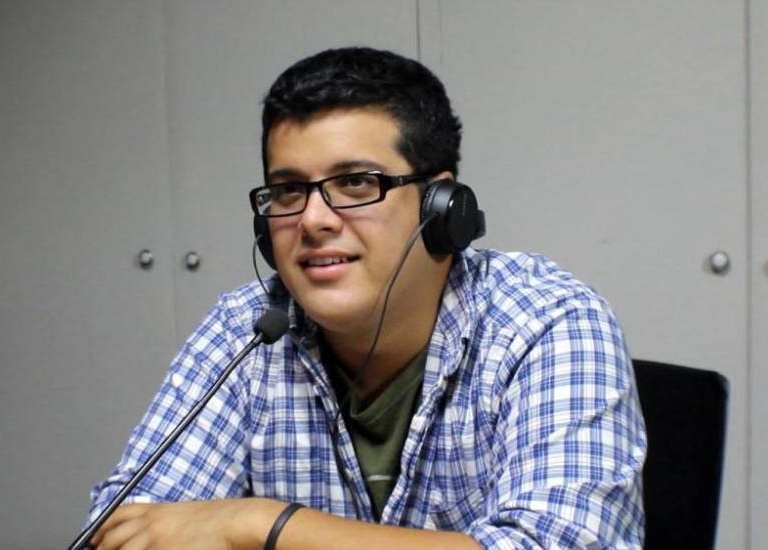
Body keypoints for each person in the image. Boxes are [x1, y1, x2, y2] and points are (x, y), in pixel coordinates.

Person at [87, 47, 646, 549]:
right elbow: (127, 528)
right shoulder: (248, 328)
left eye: (355, 183)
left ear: (441, 207)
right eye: (288, 190)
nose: (312, 220)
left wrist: (261, 526)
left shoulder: (545, 321)